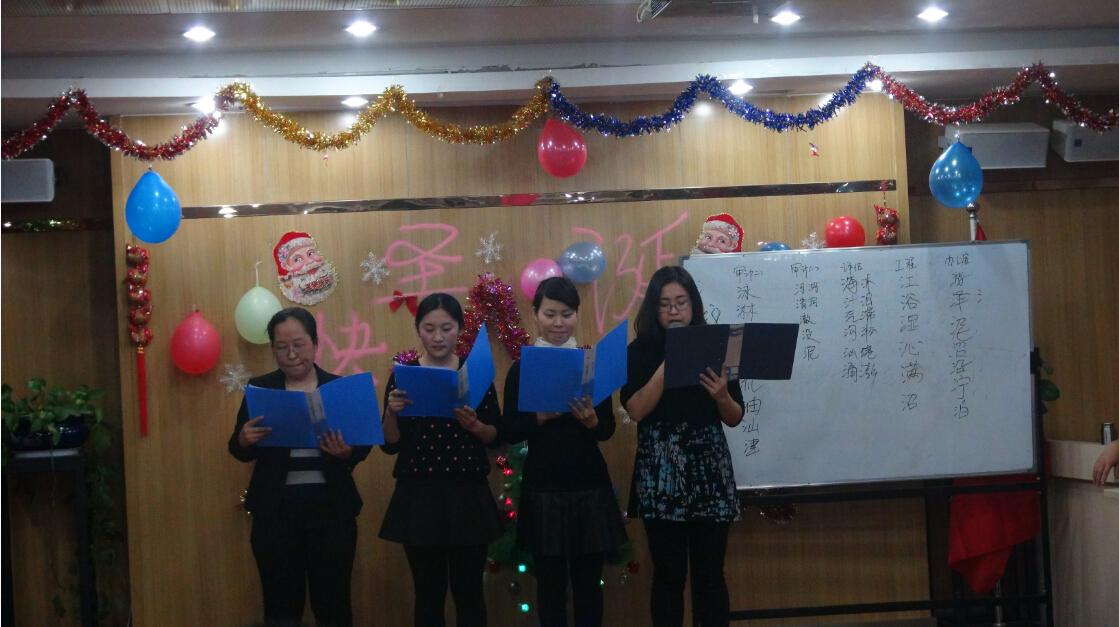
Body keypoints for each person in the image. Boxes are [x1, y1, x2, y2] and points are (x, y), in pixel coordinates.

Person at [228, 307, 371, 627]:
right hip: (276, 516)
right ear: (273, 349)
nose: (291, 355)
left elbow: (362, 444)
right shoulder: (261, 389)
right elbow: (238, 449)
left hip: (332, 514)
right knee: (281, 609)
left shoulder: (338, 387)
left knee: (334, 607)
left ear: (315, 343)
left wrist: (347, 452)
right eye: (281, 347)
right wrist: (244, 439)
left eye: (299, 345)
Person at [619, 266, 745, 627]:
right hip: (661, 471)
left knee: (710, 576)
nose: (674, 312)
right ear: (653, 308)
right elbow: (636, 410)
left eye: (681, 303)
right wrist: (671, 360)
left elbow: (735, 416)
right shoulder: (639, 350)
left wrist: (722, 396)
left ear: (694, 305)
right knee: (668, 575)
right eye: (665, 304)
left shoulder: (719, 345)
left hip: (709, 470)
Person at [502, 277, 627, 627]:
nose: (559, 323)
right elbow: (509, 430)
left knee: (589, 584)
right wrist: (539, 418)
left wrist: (592, 422)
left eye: (567, 314)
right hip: (544, 488)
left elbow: (607, 429)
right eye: (550, 314)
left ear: (577, 314)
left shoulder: (590, 364)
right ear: (535, 314)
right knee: (550, 587)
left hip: (589, 484)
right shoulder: (521, 369)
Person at [379, 293, 505, 627]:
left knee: (469, 593)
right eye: (429, 328)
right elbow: (390, 444)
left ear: (460, 329)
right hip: (419, 496)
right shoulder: (404, 375)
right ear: (418, 329)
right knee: (428, 594)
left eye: (446, 328)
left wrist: (475, 426)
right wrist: (391, 412)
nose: (438, 337)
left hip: (468, 495)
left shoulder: (474, 373)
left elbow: (496, 434)